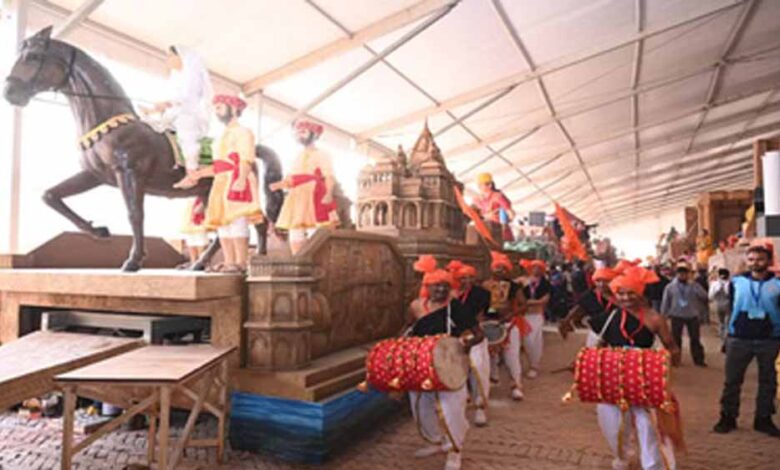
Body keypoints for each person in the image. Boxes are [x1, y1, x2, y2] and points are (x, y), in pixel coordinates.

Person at [588, 266, 682, 470]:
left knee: (648, 425)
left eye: (631, 293)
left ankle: (653, 466)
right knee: (611, 423)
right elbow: (598, 346)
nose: (626, 298)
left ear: (640, 293)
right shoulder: (610, 317)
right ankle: (622, 457)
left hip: (643, 376)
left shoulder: (655, 318)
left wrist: (668, 366)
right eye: (621, 293)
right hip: (612, 376)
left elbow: (671, 346)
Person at [407, 268, 484, 470]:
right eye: (436, 285)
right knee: (420, 405)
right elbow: (408, 330)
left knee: (452, 410)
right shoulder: (416, 306)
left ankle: (454, 451)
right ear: (427, 287)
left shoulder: (455, 307)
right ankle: (436, 441)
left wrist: (465, 344)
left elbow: (479, 334)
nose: (441, 289)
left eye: (445, 285)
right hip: (422, 364)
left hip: (451, 365)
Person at [188, 95, 264, 273]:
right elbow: (218, 165)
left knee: (237, 220)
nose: (217, 112)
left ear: (234, 109)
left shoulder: (243, 132)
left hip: (236, 177)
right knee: (223, 223)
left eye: (220, 107)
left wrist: (241, 179)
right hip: (221, 181)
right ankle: (229, 262)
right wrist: (198, 174)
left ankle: (241, 263)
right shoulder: (220, 137)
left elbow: (246, 157)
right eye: (216, 108)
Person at [713, 243, 780, 437]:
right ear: (746, 261)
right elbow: (731, 307)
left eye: (760, 259)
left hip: (769, 339)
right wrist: (727, 335)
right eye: (751, 259)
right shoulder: (736, 282)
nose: (755, 263)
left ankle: (763, 419)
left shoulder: (777, 284)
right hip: (739, 338)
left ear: (768, 261)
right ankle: (727, 417)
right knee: (732, 381)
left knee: (768, 381)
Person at [142, 46, 213, 189]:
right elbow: (171, 101)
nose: (167, 60)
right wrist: (153, 110)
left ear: (180, 56)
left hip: (190, 113)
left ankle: (192, 174)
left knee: (186, 135)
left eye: (170, 56)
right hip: (174, 113)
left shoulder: (192, 75)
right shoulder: (175, 78)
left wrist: (166, 104)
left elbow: (189, 99)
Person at [271, 120, 338, 255]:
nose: (299, 135)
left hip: (314, 194)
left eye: (303, 132)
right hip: (296, 196)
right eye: (297, 133)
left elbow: (329, 176)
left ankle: (316, 259)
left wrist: (328, 193)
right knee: (295, 230)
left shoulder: (322, 154)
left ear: (313, 134)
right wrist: (280, 185)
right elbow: (291, 178)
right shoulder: (297, 156)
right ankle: (298, 260)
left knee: (315, 229)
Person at [448, 260, 492, 426]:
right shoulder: (449, 295)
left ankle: (480, 408)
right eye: (462, 278)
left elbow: (489, 311)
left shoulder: (482, 294)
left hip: (475, 335)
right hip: (453, 337)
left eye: (469, 277)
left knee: (479, 370)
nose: (466, 281)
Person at [483, 251, 527, 400]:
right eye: (498, 267)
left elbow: (523, 305)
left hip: (509, 324)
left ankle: (516, 386)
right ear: (492, 269)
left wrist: (511, 314)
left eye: (503, 268)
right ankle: (488, 384)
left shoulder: (514, 286)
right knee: (489, 357)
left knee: (512, 357)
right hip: (488, 324)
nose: (500, 270)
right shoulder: (484, 286)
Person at [660, 260, 708, 367]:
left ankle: (699, 360)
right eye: (680, 274)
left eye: (684, 274)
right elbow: (665, 301)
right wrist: (663, 316)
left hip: (692, 315)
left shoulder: (694, 285)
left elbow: (704, 296)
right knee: (676, 339)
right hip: (676, 315)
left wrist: (695, 286)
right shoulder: (670, 287)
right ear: (676, 274)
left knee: (695, 339)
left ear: (688, 274)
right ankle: (675, 359)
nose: (682, 276)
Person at [558, 266, 618, 346]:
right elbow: (579, 309)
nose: (601, 284)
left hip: (617, 334)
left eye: (606, 281)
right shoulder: (590, 295)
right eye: (598, 281)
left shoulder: (622, 296)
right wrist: (566, 321)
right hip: (597, 334)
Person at [521, 259, 551, 379]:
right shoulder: (522, 281)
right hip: (522, 315)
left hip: (536, 315)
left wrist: (528, 302)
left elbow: (544, 300)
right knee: (525, 341)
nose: (536, 270)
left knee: (534, 340)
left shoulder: (545, 284)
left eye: (539, 268)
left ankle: (534, 365)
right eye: (534, 267)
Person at [473, 173, 515, 242]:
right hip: (484, 231)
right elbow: (474, 214)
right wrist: (486, 216)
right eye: (478, 185)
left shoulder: (498, 196)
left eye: (481, 185)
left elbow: (510, 213)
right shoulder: (477, 199)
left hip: (499, 232)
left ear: (489, 185)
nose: (479, 187)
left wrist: (506, 220)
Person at [708, 268, 731, 347]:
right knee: (727, 323)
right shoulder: (730, 283)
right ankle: (726, 340)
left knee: (721, 323)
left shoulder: (714, 284)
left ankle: (722, 340)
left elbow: (710, 296)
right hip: (728, 305)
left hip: (718, 305)